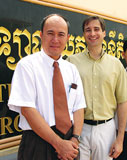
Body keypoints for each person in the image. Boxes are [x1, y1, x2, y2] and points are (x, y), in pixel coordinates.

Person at [8, 14, 86, 160]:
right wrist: (58, 144)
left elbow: (79, 107)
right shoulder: (26, 66)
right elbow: (27, 110)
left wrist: (75, 138)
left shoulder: (72, 69)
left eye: (61, 35)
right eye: (50, 33)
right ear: (41, 35)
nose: (55, 40)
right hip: (38, 142)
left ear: (68, 38)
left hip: (70, 142)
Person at [67, 16, 127, 160]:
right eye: (88, 30)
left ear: (104, 33)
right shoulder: (71, 62)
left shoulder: (115, 64)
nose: (92, 33)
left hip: (106, 128)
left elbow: (123, 102)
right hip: (79, 128)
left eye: (96, 29)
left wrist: (120, 139)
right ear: (83, 35)